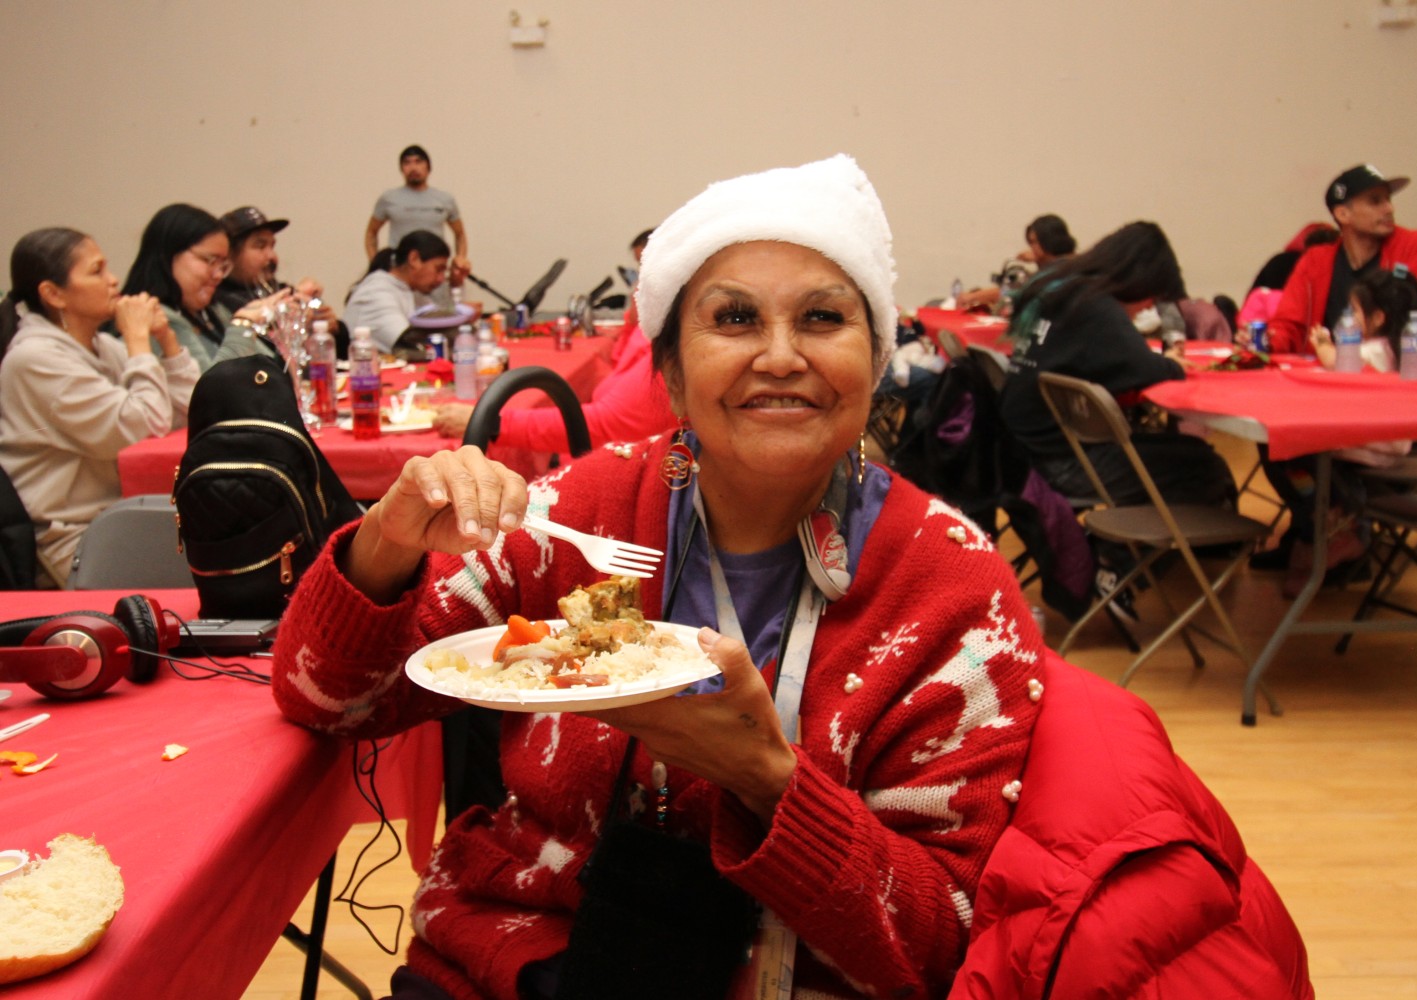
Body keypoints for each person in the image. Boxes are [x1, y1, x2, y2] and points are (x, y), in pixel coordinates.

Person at [272, 154, 1049, 999]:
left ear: (876, 356)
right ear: (672, 373)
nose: (782, 356)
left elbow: (942, 941)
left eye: (823, 317)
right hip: (517, 962)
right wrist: (386, 541)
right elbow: (335, 699)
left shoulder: (952, 590)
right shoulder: (583, 515)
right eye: (736, 319)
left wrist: (764, 777)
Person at [0, 227, 198, 587]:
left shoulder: (104, 346)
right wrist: (138, 341)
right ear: (53, 294)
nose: (114, 280)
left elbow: (190, 412)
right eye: (97, 271)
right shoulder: (34, 358)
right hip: (72, 538)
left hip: (119, 516)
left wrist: (167, 342)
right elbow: (141, 427)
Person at [1000, 220, 1237, 511]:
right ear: (1139, 279)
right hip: (1059, 463)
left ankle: (1131, 549)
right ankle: (1139, 553)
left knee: (1180, 450)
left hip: (1021, 450)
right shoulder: (1095, 305)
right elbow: (1147, 369)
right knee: (1206, 467)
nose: (1148, 307)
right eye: (1151, 297)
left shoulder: (1056, 283)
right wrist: (1172, 364)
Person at [1256, 267, 1417, 595]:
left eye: (1355, 312)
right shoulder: (1395, 350)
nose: (1348, 318)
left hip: (1372, 444)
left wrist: (1322, 343)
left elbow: (1336, 360)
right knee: (1286, 450)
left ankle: (1331, 522)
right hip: (1370, 441)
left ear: (1377, 318)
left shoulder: (1374, 351)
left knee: (1285, 451)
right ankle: (1326, 520)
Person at [1267, 164, 1417, 378]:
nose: (1389, 209)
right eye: (1375, 201)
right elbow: (1288, 324)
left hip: (1400, 379)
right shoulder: (1315, 260)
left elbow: (1414, 315)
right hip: (1326, 378)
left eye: (1388, 199)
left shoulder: (1412, 245)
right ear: (1343, 214)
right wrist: (1266, 341)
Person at [429, 324, 677, 456]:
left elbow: (603, 426)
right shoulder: (653, 331)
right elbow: (617, 367)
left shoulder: (672, 354)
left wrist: (493, 424)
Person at [121, 203, 287, 372]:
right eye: (210, 260)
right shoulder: (154, 318)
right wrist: (243, 325)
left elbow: (271, 367)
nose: (218, 275)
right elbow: (209, 390)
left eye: (223, 265)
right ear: (169, 255)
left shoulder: (212, 310)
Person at [216, 205, 345, 351]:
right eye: (260, 246)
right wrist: (288, 307)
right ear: (230, 253)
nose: (271, 256)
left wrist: (331, 328)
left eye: (272, 246)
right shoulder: (216, 302)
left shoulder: (279, 289)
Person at [364, 145, 469, 277]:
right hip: (401, 271)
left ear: (428, 167)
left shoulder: (445, 199)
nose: (413, 167)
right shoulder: (388, 199)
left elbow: (460, 234)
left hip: (434, 272)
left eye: (418, 162)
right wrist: (376, 265)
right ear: (402, 169)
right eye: (407, 163)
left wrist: (460, 259)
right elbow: (371, 233)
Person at [342, 230, 452, 355]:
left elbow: (441, 325)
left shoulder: (412, 291)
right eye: (439, 269)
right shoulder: (376, 292)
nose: (441, 279)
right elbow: (412, 345)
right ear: (414, 259)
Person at [955, 214, 1076, 312]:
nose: (1031, 249)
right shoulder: (1053, 267)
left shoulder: (1067, 269)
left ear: (1048, 241)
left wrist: (973, 297)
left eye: (1033, 242)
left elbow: (1017, 291)